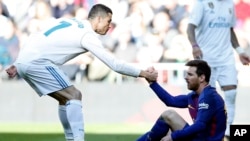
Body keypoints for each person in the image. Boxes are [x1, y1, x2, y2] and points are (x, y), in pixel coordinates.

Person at [5, 4, 158, 141]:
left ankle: (71, 139)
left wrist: (18, 63)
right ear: (98, 19)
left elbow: (36, 36)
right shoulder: (87, 35)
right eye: (108, 21)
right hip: (38, 62)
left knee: (66, 99)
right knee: (74, 95)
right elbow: (114, 64)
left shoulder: (69, 22)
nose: (109, 26)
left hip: (26, 60)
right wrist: (143, 73)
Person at [186, 1, 250, 140]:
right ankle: (205, 132)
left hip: (226, 58)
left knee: (232, 93)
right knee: (209, 99)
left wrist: (239, 50)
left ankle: (226, 135)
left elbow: (230, 29)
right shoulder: (202, 3)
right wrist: (194, 45)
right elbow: (190, 27)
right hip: (206, 58)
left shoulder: (229, 4)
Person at [137, 59, 227, 141]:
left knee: (169, 115)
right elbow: (170, 100)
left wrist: (173, 137)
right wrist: (152, 82)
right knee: (162, 130)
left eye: (190, 74)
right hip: (199, 138)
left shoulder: (209, 97)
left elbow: (200, 125)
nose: (185, 77)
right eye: (186, 73)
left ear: (202, 78)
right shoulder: (194, 96)